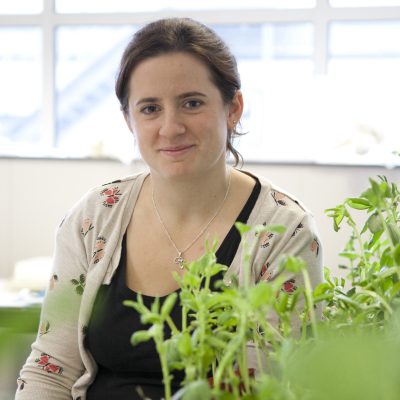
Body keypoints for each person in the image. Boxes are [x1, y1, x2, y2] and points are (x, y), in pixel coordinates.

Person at [15, 18, 323, 400]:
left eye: (191, 103)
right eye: (149, 109)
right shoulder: (93, 217)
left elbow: (261, 387)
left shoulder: (282, 231)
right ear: (128, 120)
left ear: (233, 108)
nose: (171, 127)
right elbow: (51, 369)